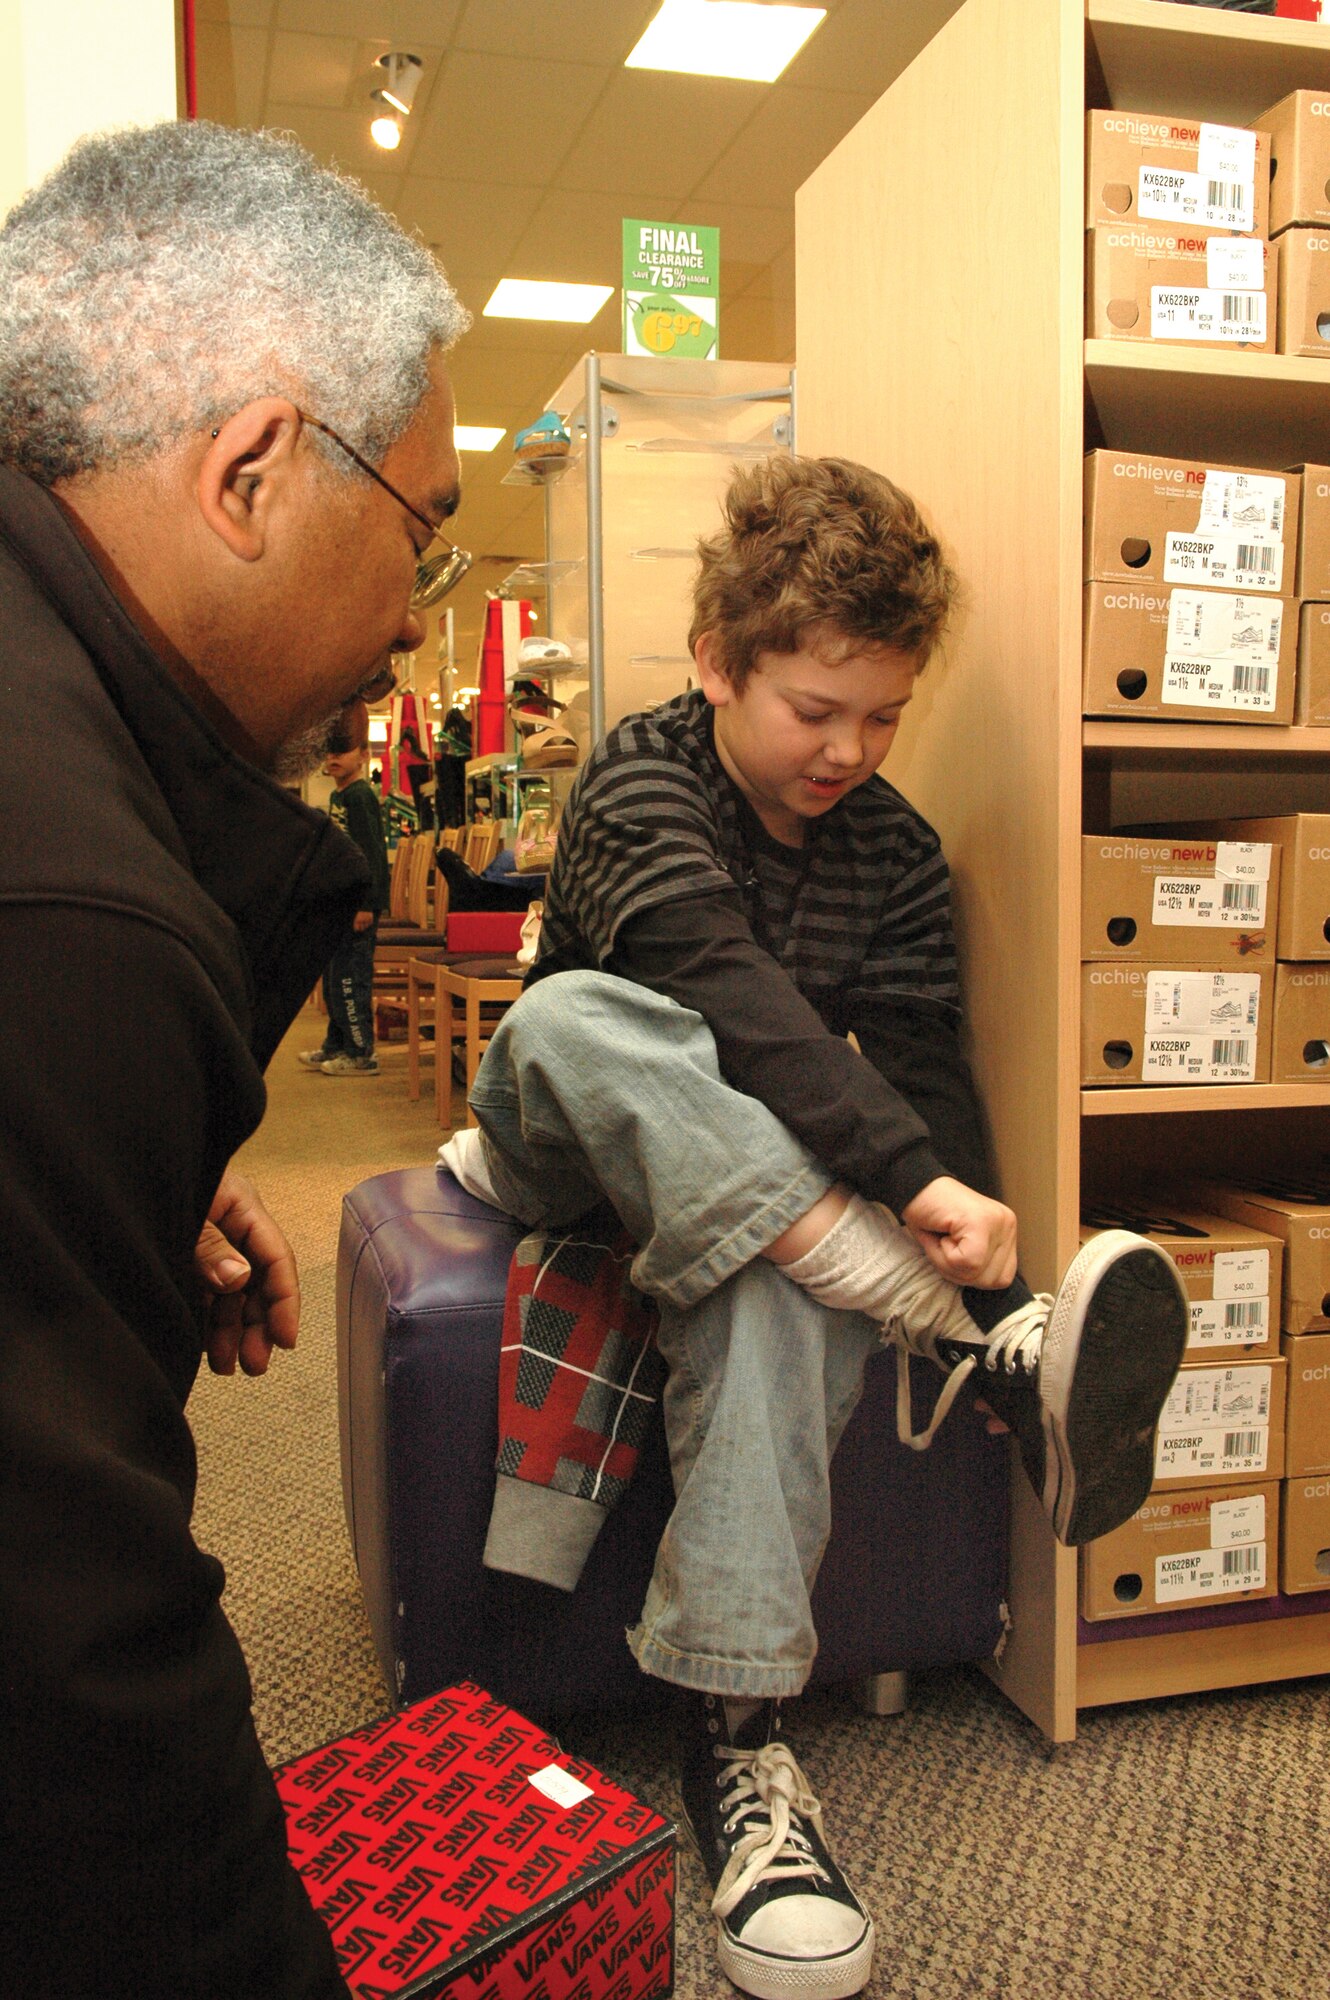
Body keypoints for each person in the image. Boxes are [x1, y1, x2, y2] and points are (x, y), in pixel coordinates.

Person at [444, 456, 1189, 2000]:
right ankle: (979, 1351)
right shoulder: (638, 784)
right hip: (568, 1132)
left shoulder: (899, 856)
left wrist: (975, 1235)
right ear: (717, 664)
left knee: (775, 1276)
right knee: (597, 1016)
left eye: (883, 717)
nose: (846, 751)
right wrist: (908, 1214)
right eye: (810, 711)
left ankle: (739, 1750)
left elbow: (921, 1071)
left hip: (740, 1197)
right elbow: (731, 1001)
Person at [0, 120, 467, 1998]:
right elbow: (68, 1678)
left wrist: (109, 1182)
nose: (419, 613)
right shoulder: (73, 918)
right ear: (257, 470)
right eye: (421, 527)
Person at [299, 699, 390, 1074]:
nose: (333, 757)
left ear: (364, 754)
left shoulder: (360, 796)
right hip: (342, 905)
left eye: (343, 750)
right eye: (329, 751)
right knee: (335, 976)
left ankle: (360, 1051)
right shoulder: (339, 795)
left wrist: (366, 904)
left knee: (352, 978)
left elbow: (371, 854)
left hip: (359, 908)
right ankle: (336, 1043)